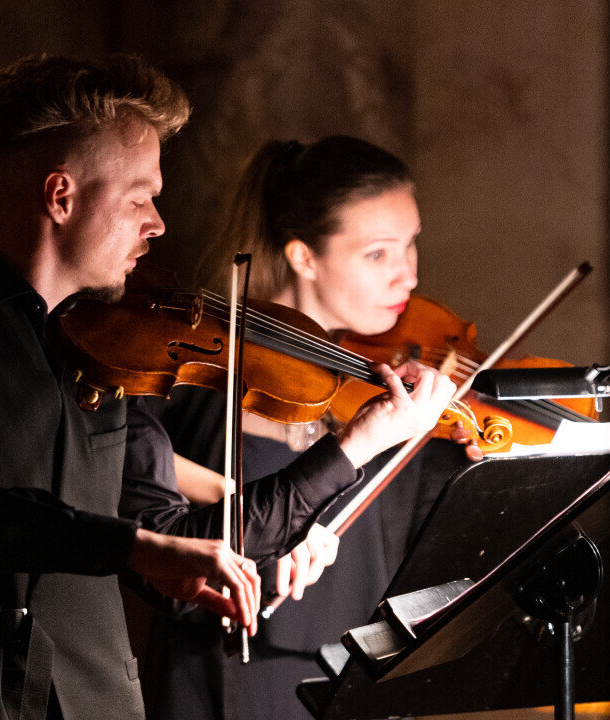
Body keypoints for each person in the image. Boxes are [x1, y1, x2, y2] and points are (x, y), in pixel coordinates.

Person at [0, 55, 454, 720]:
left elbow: (164, 547)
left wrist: (215, 559)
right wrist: (133, 546)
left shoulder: (103, 354)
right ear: (60, 196)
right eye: (139, 198)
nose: (158, 223)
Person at [122, 136, 466, 720]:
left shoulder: (372, 387)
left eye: (411, 246)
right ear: (304, 257)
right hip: (227, 682)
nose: (407, 276)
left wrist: (460, 454)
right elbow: (129, 489)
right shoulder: (204, 380)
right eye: (378, 254)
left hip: (348, 678)